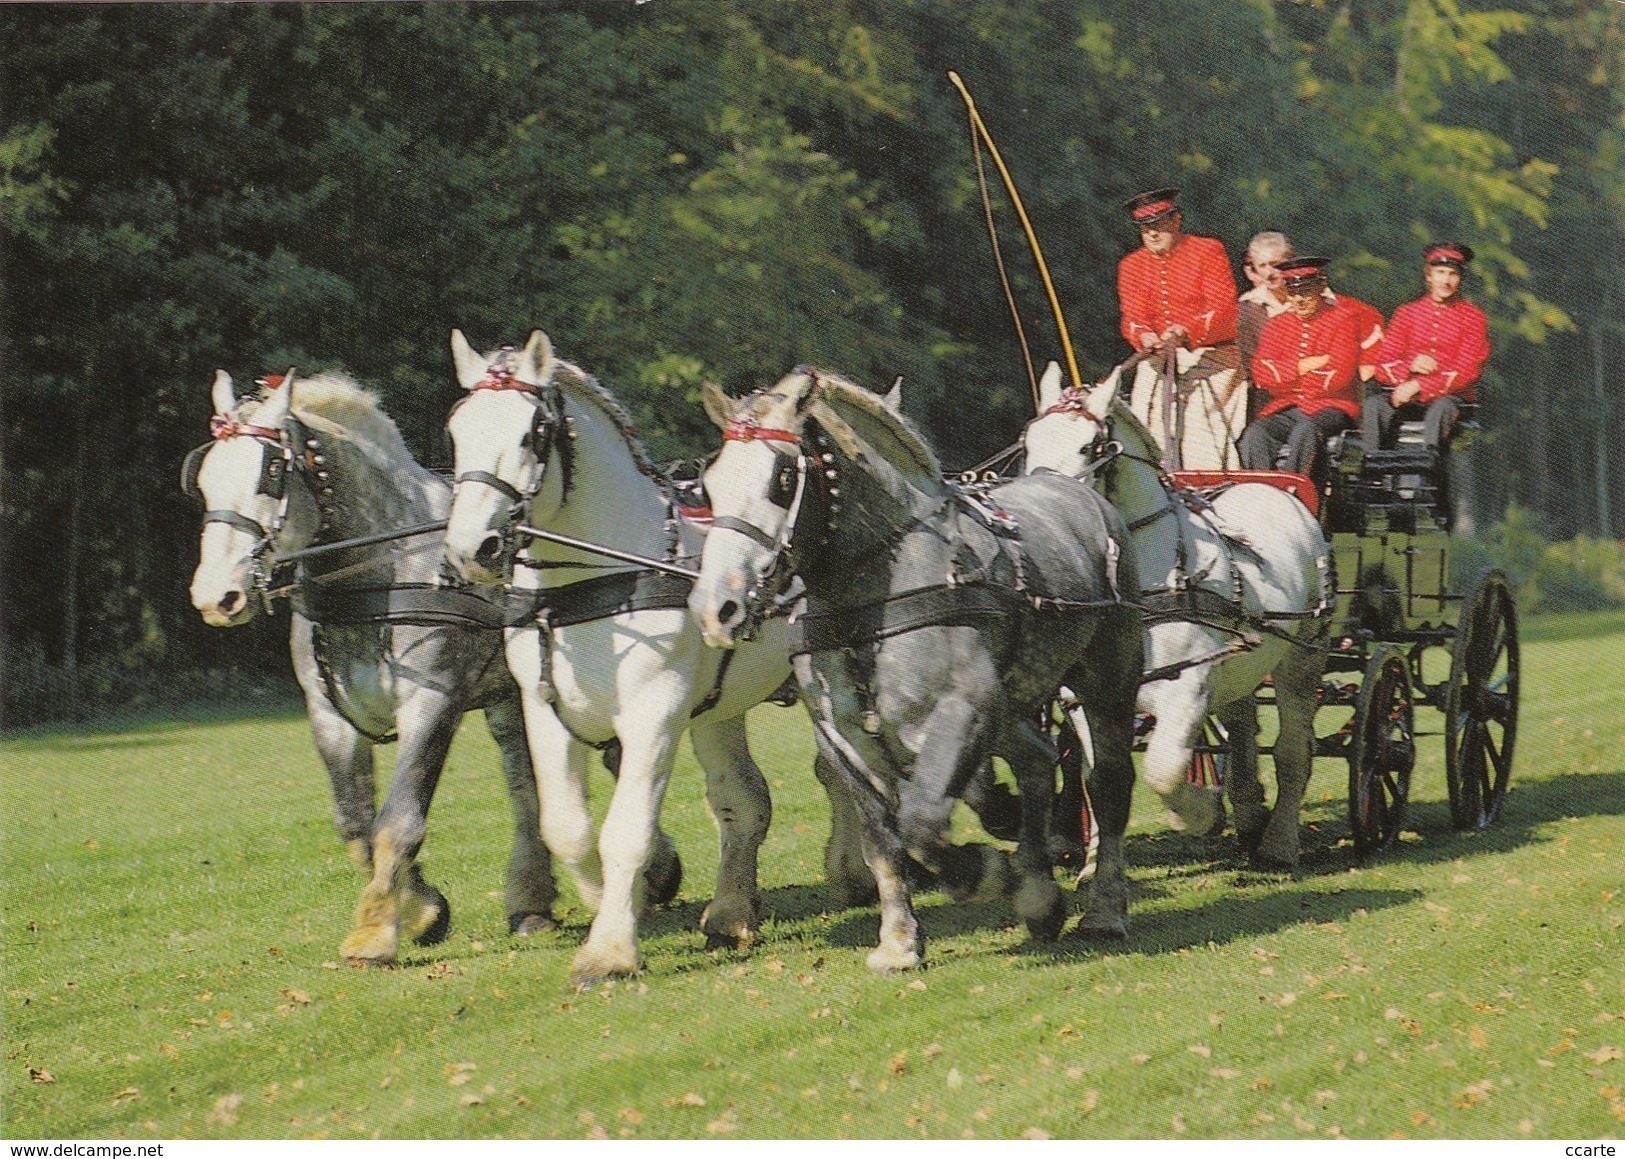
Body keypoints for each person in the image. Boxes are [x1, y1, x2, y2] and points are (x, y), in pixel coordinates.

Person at [1116, 187, 1241, 469]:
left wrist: (1186, 330)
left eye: (1158, 225)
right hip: (1158, 355)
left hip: (1212, 355)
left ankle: (1210, 481)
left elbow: (1224, 309)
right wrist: (1143, 335)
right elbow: (1132, 317)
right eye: (1145, 228)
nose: (1152, 234)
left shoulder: (1208, 251)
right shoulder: (1131, 266)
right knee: (1145, 417)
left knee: (1200, 425)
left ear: (1176, 220)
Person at [1239, 256, 1362, 482]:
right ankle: (1262, 494)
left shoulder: (1344, 319)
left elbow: (1339, 378)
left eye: (1306, 292)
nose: (1298, 299)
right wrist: (1301, 367)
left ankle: (1297, 497)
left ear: (1320, 288)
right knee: (1255, 435)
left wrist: (1284, 378)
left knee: (1305, 431)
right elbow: (1261, 374)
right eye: (1293, 292)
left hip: (1332, 406)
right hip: (1288, 407)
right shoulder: (1277, 324)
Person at [1365, 242, 1490, 452]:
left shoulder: (1473, 318)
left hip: (1449, 400)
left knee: (1441, 409)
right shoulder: (1407, 313)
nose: (1446, 280)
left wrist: (1421, 386)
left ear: (1460, 279)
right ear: (1428, 276)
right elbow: (1383, 364)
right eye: (1440, 272)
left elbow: (1468, 372)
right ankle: (1372, 470)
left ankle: (1428, 465)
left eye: (1453, 274)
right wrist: (1409, 368)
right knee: (1374, 406)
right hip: (1405, 396)